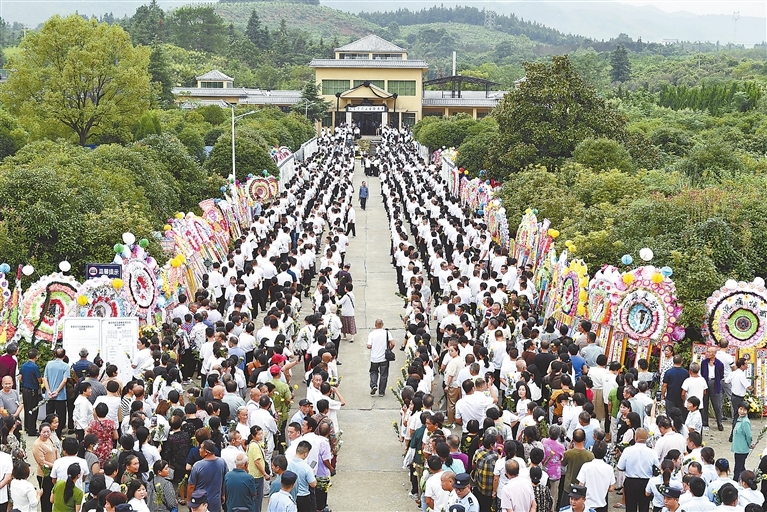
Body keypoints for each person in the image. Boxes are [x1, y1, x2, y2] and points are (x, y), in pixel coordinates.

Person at [616, 428, 658, 512]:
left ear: (635, 437)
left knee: (630, 507)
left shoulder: (627, 450)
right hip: (646, 482)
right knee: (644, 507)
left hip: (631, 482)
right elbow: (657, 468)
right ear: (646, 438)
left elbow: (620, 467)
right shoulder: (652, 452)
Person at [187, 440, 227, 512]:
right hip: (215, 502)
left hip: (199, 503)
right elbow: (224, 480)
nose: (199, 450)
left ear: (206, 452)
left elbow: (191, 486)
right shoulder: (222, 462)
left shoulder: (197, 465)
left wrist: (189, 500)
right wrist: (223, 494)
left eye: (201, 448)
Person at [576, 441, 614, 512]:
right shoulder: (609, 468)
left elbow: (581, 485)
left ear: (592, 452)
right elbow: (612, 488)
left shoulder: (586, 466)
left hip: (587, 504)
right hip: (602, 504)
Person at [43, 348, 71, 436]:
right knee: (61, 416)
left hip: (49, 395)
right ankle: (58, 434)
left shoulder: (49, 364)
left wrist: (48, 391)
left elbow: (45, 378)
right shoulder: (66, 366)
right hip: (60, 396)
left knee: (49, 416)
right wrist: (57, 391)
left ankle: (48, 433)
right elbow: (64, 380)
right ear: (64, 355)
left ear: (55, 355)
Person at [33, 422, 58, 512]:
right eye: (44, 432)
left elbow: (56, 451)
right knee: (46, 498)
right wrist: (56, 465)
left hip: (54, 472)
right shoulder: (37, 444)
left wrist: (59, 461)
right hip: (44, 474)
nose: (46, 434)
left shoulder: (51, 439)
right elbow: (41, 462)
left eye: (48, 431)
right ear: (40, 432)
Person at [700, 346, 725, 431]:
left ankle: (719, 423)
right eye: (707, 351)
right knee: (704, 403)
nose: (707, 353)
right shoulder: (704, 363)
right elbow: (702, 373)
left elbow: (721, 375)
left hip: (715, 383)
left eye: (709, 352)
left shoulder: (719, 363)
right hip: (705, 382)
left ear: (714, 354)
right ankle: (705, 423)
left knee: (716, 404)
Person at [367, 319, 393, 397]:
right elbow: (393, 343)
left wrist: (373, 346)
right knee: (383, 375)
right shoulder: (387, 333)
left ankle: (373, 385)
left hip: (374, 358)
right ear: (382, 324)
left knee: (373, 372)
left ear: (375, 325)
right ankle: (381, 392)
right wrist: (388, 350)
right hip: (384, 358)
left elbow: (368, 346)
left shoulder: (371, 334)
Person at [19, 348, 41, 436]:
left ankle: (27, 428)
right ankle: (32, 431)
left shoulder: (23, 365)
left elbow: (20, 378)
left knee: (27, 409)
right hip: (32, 391)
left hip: (25, 390)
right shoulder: (35, 367)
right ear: (36, 357)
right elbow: (39, 380)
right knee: (33, 410)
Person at [732, 401, 754, 482]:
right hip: (738, 448)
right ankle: (749, 480)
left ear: (747, 411)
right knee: (741, 467)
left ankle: (735, 482)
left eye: (744, 410)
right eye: (740, 409)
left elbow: (749, 436)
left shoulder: (745, 422)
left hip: (742, 449)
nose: (742, 411)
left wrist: (750, 445)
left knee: (738, 469)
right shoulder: (739, 419)